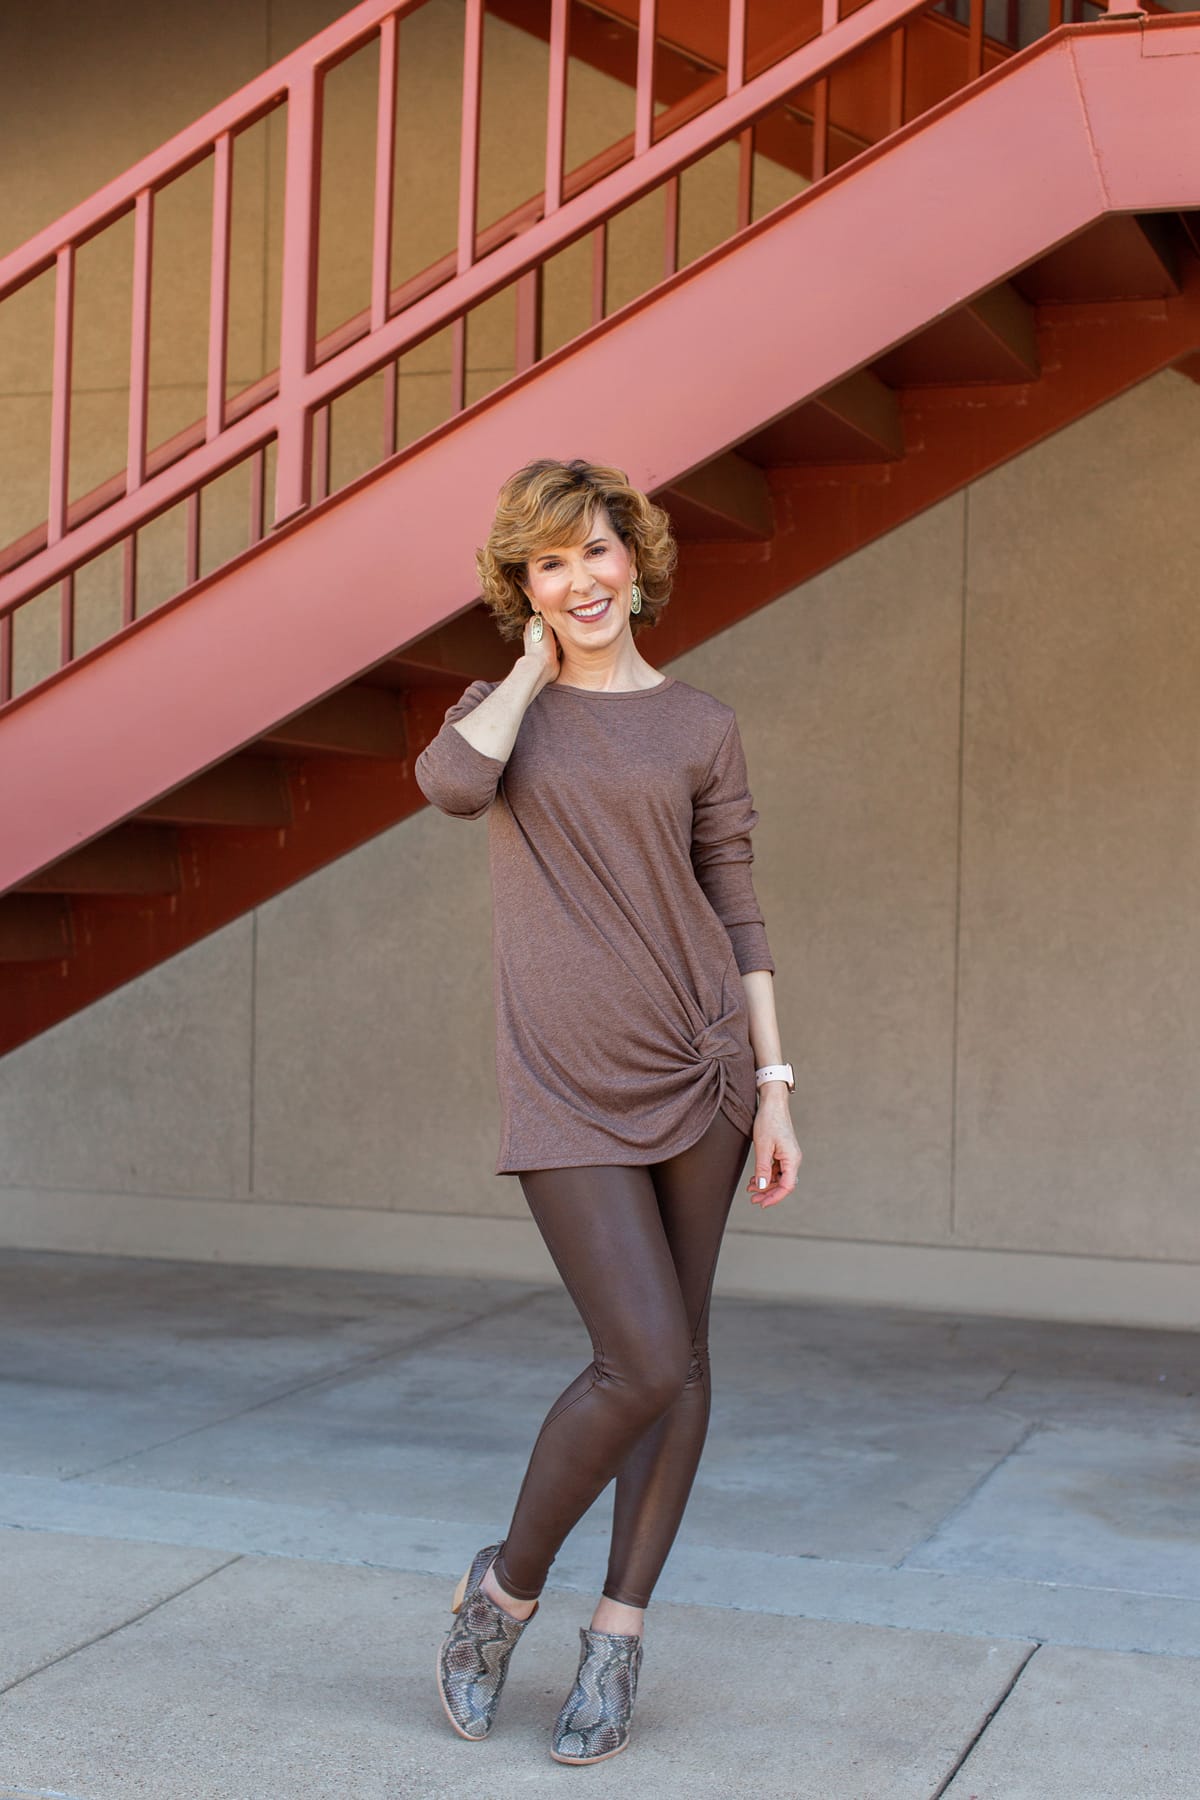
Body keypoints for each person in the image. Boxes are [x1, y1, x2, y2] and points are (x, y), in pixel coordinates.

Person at [415, 456, 801, 1766]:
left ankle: (617, 1637)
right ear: (524, 588)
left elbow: (736, 904)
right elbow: (452, 788)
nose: (581, 581)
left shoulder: (700, 724)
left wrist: (779, 1085)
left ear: (637, 559)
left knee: (679, 1360)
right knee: (635, 1353)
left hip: (705, 1070)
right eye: (550, 563)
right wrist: (531, 671)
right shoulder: (499, 713)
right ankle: (503, 1593)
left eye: (598, 552)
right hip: (569, 1080)